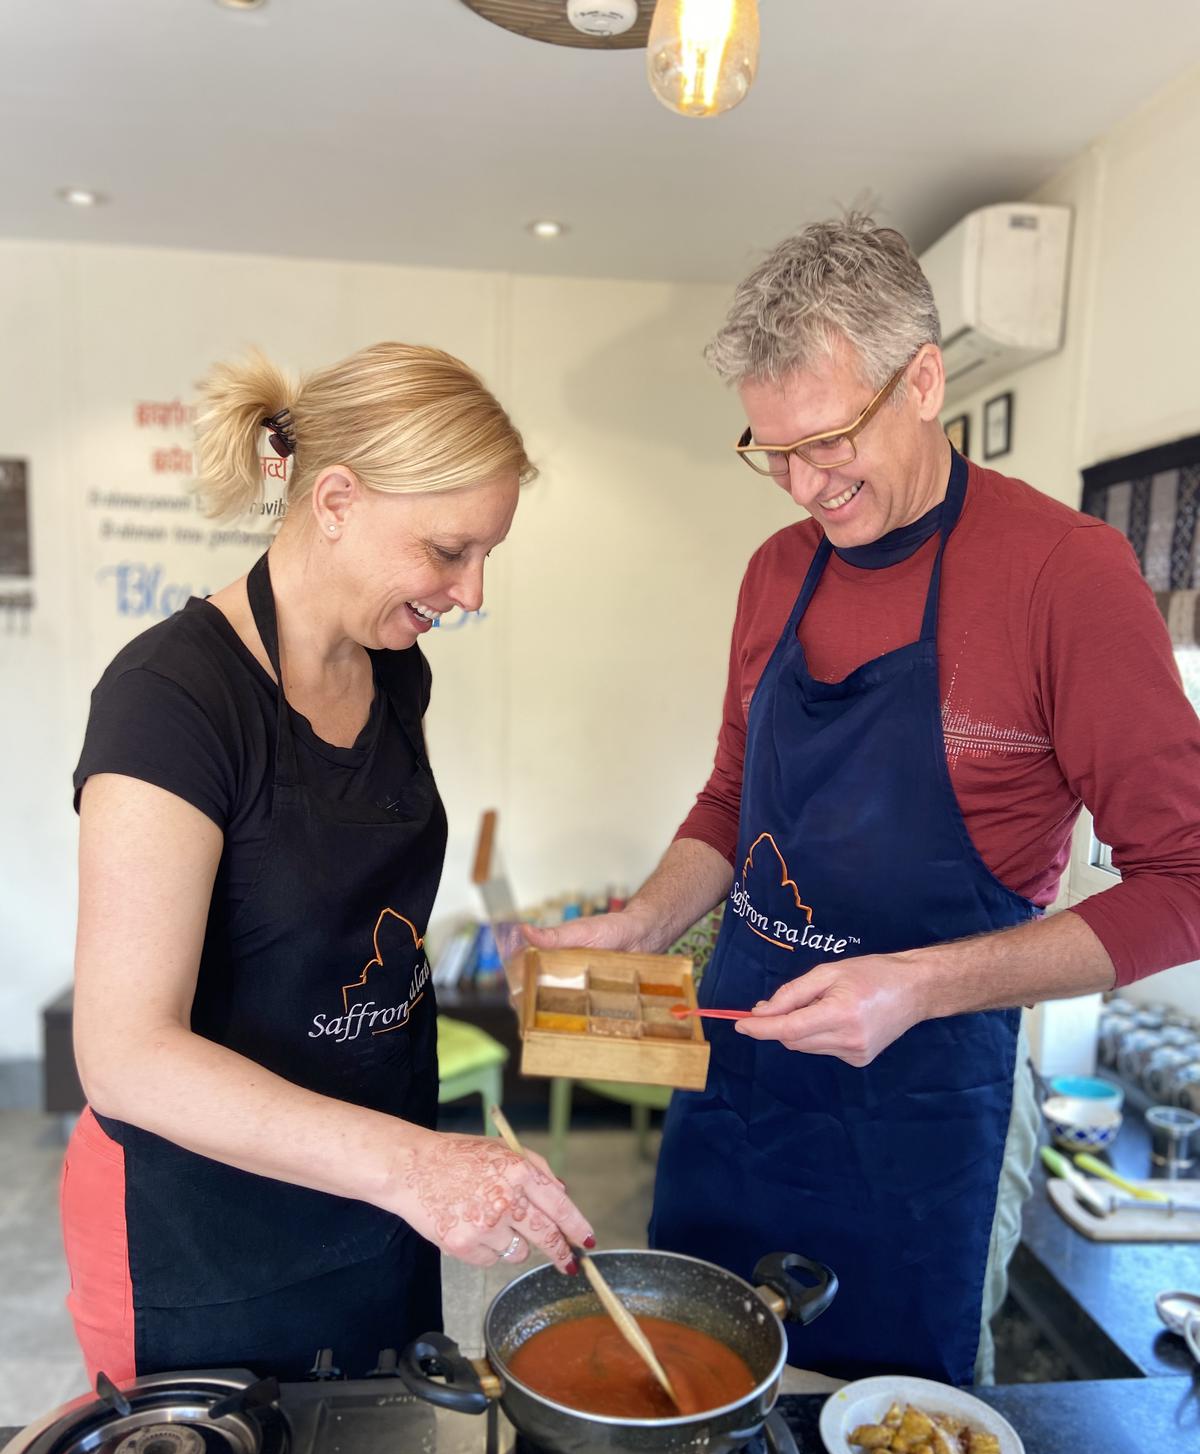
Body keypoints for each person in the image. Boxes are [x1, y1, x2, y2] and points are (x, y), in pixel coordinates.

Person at [528, 215, 1200, 1386]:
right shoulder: (778, 573)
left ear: (925, 380)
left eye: (829, 437)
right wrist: (642, 921)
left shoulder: (1065, 576)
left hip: (923, 1122)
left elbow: (1185, 884)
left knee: (892, 1446)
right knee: (694, 1390)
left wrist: (922, 984)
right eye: (771, 448)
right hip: (740, 1085)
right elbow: (736, 796)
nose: (801, 482)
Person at [66, 342, 592, 1385]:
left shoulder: (398, 673)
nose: (473, 590)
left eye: (485, 553)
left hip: (377, 1208)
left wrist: (414, 1171)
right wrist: (416, 1164)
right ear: (338, 499)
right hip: (209, 1237)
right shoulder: (171, 702)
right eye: (449, 549)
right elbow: (124, 1053)